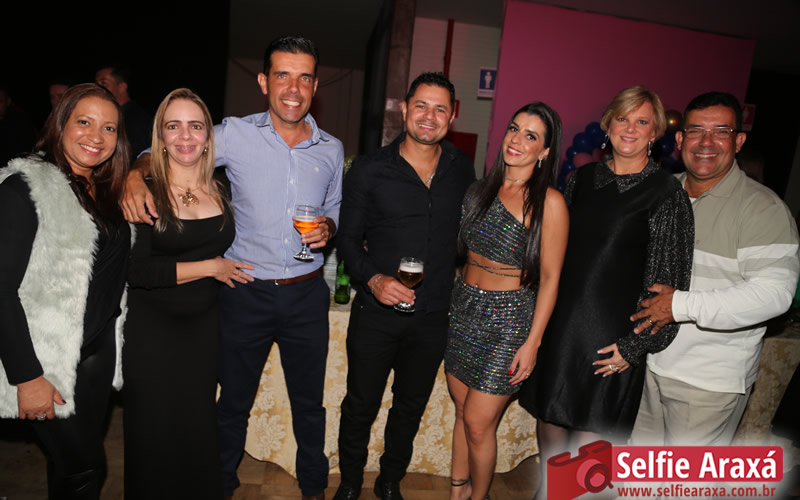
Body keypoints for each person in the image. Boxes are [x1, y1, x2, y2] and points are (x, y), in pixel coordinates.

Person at [122, 36, 342, 500]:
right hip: (245, 289)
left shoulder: (332, 149)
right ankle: (219, 484)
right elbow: (173, 146)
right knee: (233, 402)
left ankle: (314, 487)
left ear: (315, 85)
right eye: (282, 75)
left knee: (310, 404)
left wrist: (329, 226)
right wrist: (134, 174)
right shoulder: (233, 134)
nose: (293, 88)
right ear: (264, 81)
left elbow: (334, 207)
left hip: (306, 292)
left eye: (304, 77)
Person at [520, 86, 694, 496]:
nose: (630, 128)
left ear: (655, 133)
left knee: (586, 463)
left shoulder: (667, 194)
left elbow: (668, 292)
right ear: (607, 124)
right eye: (622, 118)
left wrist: (633, 348)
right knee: (551, 438)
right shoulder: (581, 179)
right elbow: (554, 254)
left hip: (612, 342)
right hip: (562, 331)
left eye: (642, 121)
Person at [334, 72, 475, 500]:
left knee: (410, 407)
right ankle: (350, 482)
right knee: (360, 404)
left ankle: (389, 481)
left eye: (440, 108)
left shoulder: (461, 168)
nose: (429, 116)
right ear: (404, 108)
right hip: (376, 313)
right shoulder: (370, 169)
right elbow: (346, 239)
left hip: (433, 315)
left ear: (452, 115)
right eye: (421, 106)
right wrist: (374, 279)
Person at [630, 92, 800, 447]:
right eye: (696, 131)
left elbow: (775, 294)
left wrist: (678, 305)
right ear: (680, 140)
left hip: (706, 383)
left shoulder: (762, 209)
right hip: (647, 366)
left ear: (738, 142)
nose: (706, 142)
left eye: (721, 132)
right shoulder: (661, 193)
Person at [0, 83, 131, 498]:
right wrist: (27, 377)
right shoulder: (25, 188)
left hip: (96, 354)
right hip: (45, 360)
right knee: (85, 466)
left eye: (109, 128)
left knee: (68, 466)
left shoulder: (105, 190)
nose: (96, 136)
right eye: (84, 122)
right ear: (60, 124)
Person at [122, 88, 254, 499]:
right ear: (160, 137)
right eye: (173, 126)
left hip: (203, 328)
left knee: (196, 429)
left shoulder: (221, 187)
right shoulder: (143, 190)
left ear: (208, 137)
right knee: (154, 434)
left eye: (195, 126)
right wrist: (211, 268)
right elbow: (136, 272)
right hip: (152, 331)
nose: (185, 136)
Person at [445, 102, 568, 500]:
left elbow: (551, 279)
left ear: (544, 151)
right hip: (464, 310)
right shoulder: (478, 191)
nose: (516, 140)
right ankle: (458, 491)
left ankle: (478, 496)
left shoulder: (550, 203)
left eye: (531, 136)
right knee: (462, 413)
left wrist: (532, 343)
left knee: (479, 423)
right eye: (514, 129)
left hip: (509, 321)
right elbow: (461, 257)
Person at [96, 64, 152, 159]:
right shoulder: (107, 115)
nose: (98, 88)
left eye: (104, 83)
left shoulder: (135, 118)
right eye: (96, 83)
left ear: (122, 87)